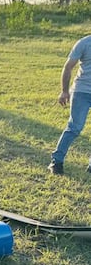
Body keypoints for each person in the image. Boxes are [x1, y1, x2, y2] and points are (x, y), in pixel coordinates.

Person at [48, 35, 91, 174]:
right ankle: (57, 161)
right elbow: (68, 67)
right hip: (82, 91)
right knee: (74, 127)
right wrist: (64, 91)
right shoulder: (84, 43)